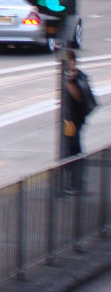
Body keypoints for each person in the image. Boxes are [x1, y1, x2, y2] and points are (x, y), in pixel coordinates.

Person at [61, 49, 97, 192]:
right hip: (68, 120)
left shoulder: (78, 78)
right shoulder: (69, 77)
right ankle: (69, 182)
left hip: (76, 121)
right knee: (68, 149)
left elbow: (79, 98)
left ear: (73, 62)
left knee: (74, 149)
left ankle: (76, 183)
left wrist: (69, 83)